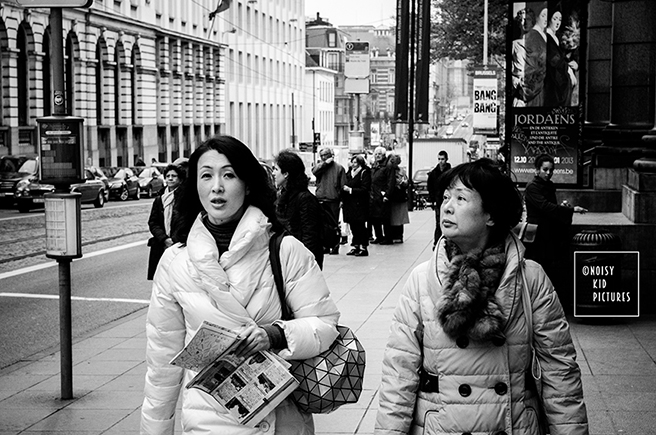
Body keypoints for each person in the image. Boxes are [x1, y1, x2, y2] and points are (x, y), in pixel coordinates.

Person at [141, 135, 340, 435]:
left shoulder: (285, 251)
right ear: (195, 185)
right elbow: (161, 365)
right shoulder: (174, 262)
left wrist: (275, 335)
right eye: (206, 175)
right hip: (207, 419)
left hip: (278, 418)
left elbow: (326, 325)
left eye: (229, 175)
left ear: (247, 184)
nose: (217, 186)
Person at [375, 158, 588, 435]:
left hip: (512, 424)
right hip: (441, 426)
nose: (447, 206)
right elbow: (398, 373)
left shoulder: (530, 278)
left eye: (461, 198)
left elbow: (560, 373)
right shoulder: (421, 279)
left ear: (491, 214)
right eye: (445, 197)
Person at [524, 154, 587, 306]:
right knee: (538, 270)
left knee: (549, 269)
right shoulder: (532, 187)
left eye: (551, 170)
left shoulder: (548, 186)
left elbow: (551, 209)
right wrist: (570, 210)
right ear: (537, 170)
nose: (548, 173)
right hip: (537, 235)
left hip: (549, 233)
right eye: (545, 169)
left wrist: (563, 209)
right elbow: (545, 207)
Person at [273, 149, 325, 269]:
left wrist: (305, 262)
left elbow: (310, 234)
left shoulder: (304, 198)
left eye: (276, 169)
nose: (273, 173)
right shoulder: (284, 195)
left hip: (302, 261)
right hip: (289, 257)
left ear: (286, 173)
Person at [146, 164, 185, 280]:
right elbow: (153, 222)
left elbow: (187, 221)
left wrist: (177, 240)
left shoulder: (185, 198)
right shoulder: (160, 199)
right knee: (162, 280)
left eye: (174, 176)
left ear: (180, 179)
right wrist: (164, 239)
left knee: (179, 279)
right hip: (161, 245)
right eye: (168, 176)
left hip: (179, 245)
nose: (170, 178)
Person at [312, 147, 346, 255]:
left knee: (333, 224)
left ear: (331, 155)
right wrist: (324, 164)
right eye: (322, 155)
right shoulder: (320, 167)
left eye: (326, 155)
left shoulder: (339, 168)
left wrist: (342, 199)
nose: (323, 157)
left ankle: (335, 245)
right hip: (321, 197)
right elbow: (314, 172)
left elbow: (342, 185)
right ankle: (325, 245)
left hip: (333, 199)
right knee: (322, 224)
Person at [342, 154, 371, 256]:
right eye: (352, 162)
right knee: (353, 226)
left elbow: (365, 189)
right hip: (349, 204)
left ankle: (363, 247)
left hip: (360, 204)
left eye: (355, 162)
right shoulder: (349, 173)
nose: (353, 164)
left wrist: (350, 190)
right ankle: (355, 245)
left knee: (361, 226)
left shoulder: (364, 173)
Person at [544, 7, 573, 107]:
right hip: (551, 80)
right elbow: (554, 60)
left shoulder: (557, 37)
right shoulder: (547, 37)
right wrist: (567, 68)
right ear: (549, 19)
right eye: (555, 18)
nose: (557, 22)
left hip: (559, 80)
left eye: (560, 19)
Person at [524, 2, 548, 107]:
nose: (546, 19)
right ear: (537, 16)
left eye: (547, 15)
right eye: (543, 15)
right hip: (537, 90)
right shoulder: (533, 36)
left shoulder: (542, 35)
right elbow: (533, 65)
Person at [427, 150, 451, 248]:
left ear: (446, 160)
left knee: (448, 221)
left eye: (443, 159)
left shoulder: (450, 172)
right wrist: (432, 199)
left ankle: (447, 242)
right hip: (438, 201)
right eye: (439, 159)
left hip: (448, 201)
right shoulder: (434, 173)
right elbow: (430, 187)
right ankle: (437, 243)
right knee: (438, 222)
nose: (441, 161)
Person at [369, 146, 393, 244]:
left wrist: (387, 194)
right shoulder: (375, 166)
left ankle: (388, 238)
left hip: (382, 196)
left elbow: (390, 182)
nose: (377, 156)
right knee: (375, 218)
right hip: (374, 196)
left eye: (380, 154)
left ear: (384, 155)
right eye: (376, 154)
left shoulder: (387, 166)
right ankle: (379, 236)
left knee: (385, 218)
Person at [386, 153, 409, 243]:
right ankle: (394, 235)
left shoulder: (401, 171)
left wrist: (403, 183)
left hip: (400, 197)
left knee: (399, 218)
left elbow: (406, 182)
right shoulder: (388, 170)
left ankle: (399, 236)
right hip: (392, 197)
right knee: (393, 218)